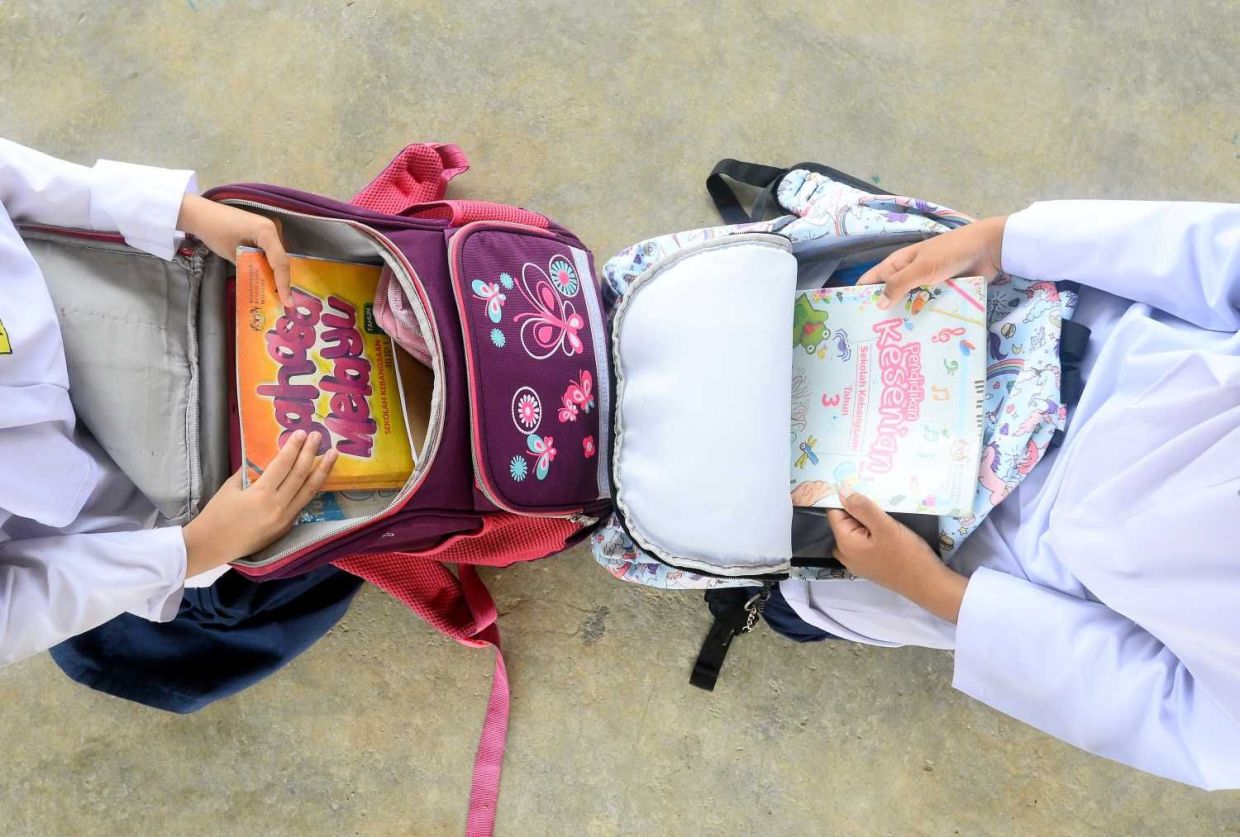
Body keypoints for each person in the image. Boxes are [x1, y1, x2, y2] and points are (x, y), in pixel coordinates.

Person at [776, 200, 1240, 789]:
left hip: (997, 557)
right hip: (1052, 337)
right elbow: (1217, 256)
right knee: (828, 297)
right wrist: (999, 242)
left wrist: (934, 590)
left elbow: (1173, 712)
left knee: (788, 568)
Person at [0, 137, 338, 668]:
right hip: (126, 516)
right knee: (202, 606)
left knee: (133, 650)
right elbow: (16, 608)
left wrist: (184, 212)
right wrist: (197, 547)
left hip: (116, 302)